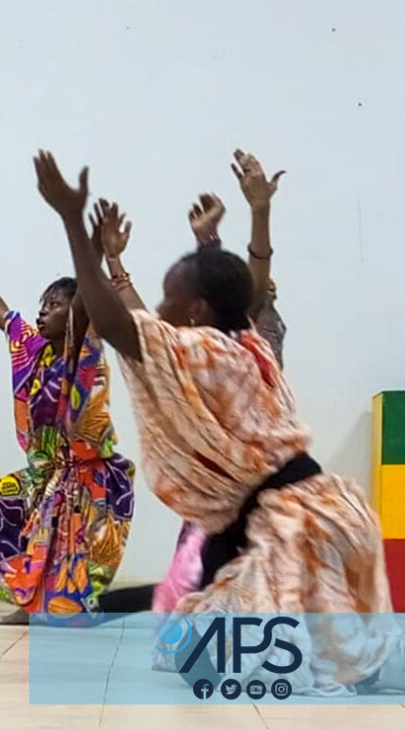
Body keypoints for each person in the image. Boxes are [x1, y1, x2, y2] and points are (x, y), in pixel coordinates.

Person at [32, 149, 405, 695]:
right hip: (309, 513)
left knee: (238, 654)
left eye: (169, 297)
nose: (158, 306)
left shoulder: (205, 353)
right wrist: (246, 220)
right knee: (188, 646)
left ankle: (373, 660)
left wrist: (71, 224)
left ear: (198, 311)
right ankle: (363, 650)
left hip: (290, 525)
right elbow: (232, 295)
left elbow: (122, 324)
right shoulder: (247, 343)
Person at [91, 152, 291, 638]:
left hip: (254, 492)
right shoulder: (195, 344)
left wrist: (259, 212)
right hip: (217, 492)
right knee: (199, 599)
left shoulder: (247, 337)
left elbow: (244, 287)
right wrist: (115, 262)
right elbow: (149, 326)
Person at [0, 211, 136, 626]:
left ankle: (55, 611)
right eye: (42, 306)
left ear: (75, 313)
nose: (42, 313)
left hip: (87, 478)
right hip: (44, 474)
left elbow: (86, 304)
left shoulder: (84, 354)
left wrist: (95, 252)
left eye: (53, 306)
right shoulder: (34, 351)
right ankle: (31, 606)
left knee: (67, 552)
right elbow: (1, 314)